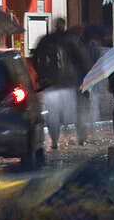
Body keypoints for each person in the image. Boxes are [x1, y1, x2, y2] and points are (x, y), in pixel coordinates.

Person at [32, 19, 85, 149]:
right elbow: (83, 59)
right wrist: (81, 78)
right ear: (64, 26)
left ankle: (55, 140)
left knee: (53, 114)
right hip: (68, 83)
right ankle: (79, 138)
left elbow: (35, 57)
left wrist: (41, 73)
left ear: (54, 26)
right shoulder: (71, 40)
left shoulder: (45, 40)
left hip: (50, 83)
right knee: (73, 112)